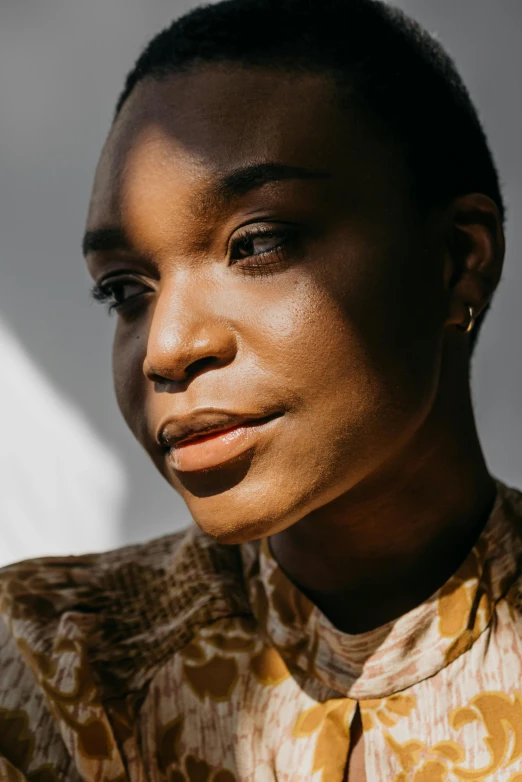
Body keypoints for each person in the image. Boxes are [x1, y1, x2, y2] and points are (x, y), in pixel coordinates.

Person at [0, 0, 519, 779]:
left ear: (457, 258)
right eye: (125, 289)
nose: (167, 349)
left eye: (259, 243)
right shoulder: (52, 661)